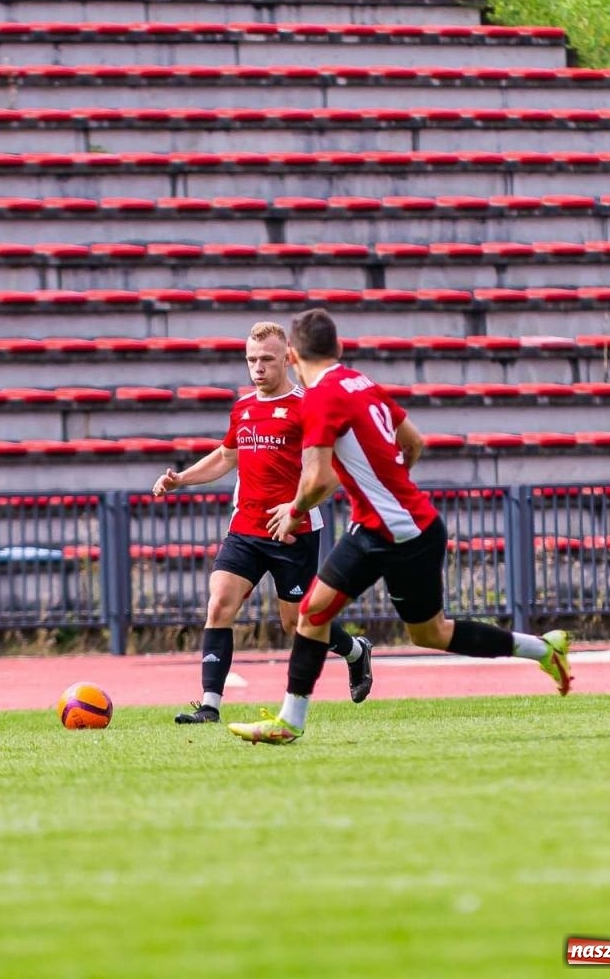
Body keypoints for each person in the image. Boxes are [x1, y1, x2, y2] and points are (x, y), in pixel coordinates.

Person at [227, 309, 572, 745]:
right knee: (314, 613)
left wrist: (294, 511)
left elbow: (314, 481)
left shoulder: (319, 398)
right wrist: (388, 488)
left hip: (401, 534)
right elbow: (414, 441)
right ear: (339, 348)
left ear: (291, 355)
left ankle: (543, 649)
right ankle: (289, 722)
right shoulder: (362, 382)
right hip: (389, 527)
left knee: (429, 633)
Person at [153, 321, 373, 725]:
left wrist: (295, 505)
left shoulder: (308, 406)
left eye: (266, 360)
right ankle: (209, 705)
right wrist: (181, 478)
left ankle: (356, 651)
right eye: (251, 360)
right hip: (246, 528)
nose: (257, 368)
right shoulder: (243, 407)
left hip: (294, 530)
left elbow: (331, 470)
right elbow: (226, 456)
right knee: (219, 603)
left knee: (296, 624)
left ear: (287, 357)